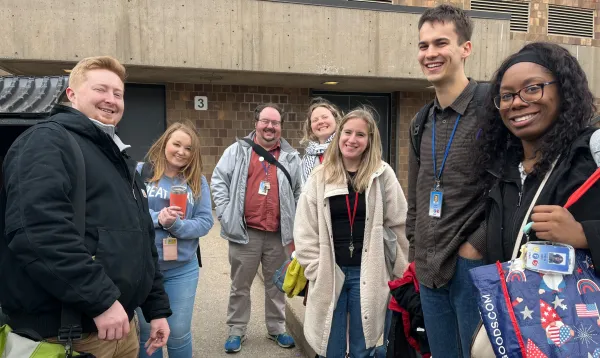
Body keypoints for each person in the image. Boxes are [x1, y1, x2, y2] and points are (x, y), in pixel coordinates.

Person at [0, 56, 171, 358]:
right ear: (72, 94)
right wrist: (102, 301)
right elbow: (38, 233)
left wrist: (156, 308)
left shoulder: (118, 157)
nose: (111, 100)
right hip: (71, 337)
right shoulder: (46, 142)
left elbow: (142, 241)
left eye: (118, 93)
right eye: (100, 89)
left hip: (122, 328)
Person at [406, 5, 489, 357]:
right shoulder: (420, 121)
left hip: (473, 266)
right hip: (429, 267)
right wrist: (414, 245)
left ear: (465, 49)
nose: (430, 53)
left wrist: (476, 246)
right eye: (423, 46)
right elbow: (416, 192)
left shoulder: (491, 108)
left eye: (441, 43)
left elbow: (512, 187)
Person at [294, 108, 409, 358]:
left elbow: (399, 225)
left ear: (369, 141)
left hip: (368, 273)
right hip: (330, 272)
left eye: (360, 134)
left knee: (362, 348)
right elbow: (304, 230)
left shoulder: (383, 175)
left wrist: (401, 274)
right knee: (330, 347)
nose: (352, 139)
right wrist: (315, 268)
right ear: (339, 135)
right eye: (347, 132)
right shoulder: (320, 177)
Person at [475, 42, 600, 271]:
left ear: (563, 91)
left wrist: (585, 235)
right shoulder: (503, 169)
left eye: (532, 88)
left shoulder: (591, 155)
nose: (517, 102)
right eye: (506, 96)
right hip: (511, 304)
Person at [210, 103, 302, 353]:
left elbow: (298, 191)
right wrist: (227, 212)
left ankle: (276, 329)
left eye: (275, 122)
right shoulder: (237, 151)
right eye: (266, 121)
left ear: (281, 127)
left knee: (276, 285)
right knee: (240, 284)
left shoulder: (291, 156)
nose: (270, 126)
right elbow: (218, 180)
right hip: (245, 232)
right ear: (256, 123)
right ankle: (236, 330)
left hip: (278, 234)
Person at [135, 121, 214, 358]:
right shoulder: (140, 171)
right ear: (164, 143)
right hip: (145, 266)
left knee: (178, 331)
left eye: (188, 148)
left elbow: (205, 221)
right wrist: (158, 218)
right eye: (176, 144)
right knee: (148, 330)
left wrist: (176, 225)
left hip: (182, 267)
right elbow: (127, 212)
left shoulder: (196, 180)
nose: (181, 151)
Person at [300, 97, 343, 185]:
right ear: (310, 127)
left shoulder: (345, 148)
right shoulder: (306, 158)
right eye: (315, 120)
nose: (320, 122)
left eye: (325, 117)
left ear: (336, 119)